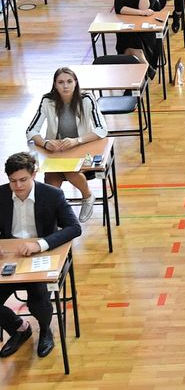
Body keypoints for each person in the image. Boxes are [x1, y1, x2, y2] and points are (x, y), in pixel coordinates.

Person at [0, 152, 81, 359]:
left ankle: (45, 330)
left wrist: (40, 244)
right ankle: (19, 328)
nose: (18, 186)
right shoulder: (0, 195)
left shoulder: (52, 194)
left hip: (40, 257)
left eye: (23, 180)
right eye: (13, 181)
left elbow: (74, 227)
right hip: (9, 258)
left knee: (38, 302)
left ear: (34, 174)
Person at [25, 68, 108, 223]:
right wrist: (45, 143)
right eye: (61, 82)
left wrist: (77, 140)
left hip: (82, 148)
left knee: (70, 170)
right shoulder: (47, 100)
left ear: (75, 83)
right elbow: (31, 131)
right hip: (57, 152)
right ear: (55, 85)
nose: (65, 86)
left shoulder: (87, 99)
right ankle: (55, 214)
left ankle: (88, 196)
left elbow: (102, 129)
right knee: (51, 179)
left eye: (69, 81)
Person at [113, 0, 166, 79]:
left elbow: (145, 6)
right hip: (127, 26)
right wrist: (140, 13)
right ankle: (146, 69)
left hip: (146, 29)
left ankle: (139, 73)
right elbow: (119, 8)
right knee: (129, 39)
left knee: (132, 49)